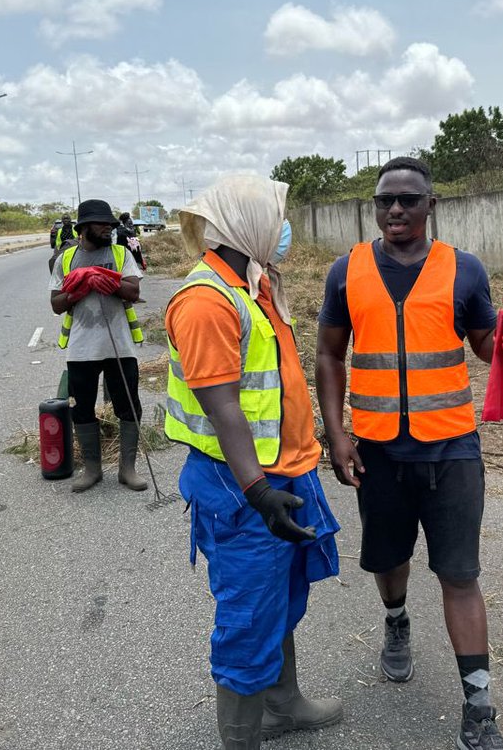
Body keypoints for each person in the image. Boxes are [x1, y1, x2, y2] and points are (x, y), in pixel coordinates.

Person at [316, 156, 503, 750]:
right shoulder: (347, 272)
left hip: (452, 450)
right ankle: (396, 621)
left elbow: (491, 349)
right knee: (388, 561)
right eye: (386, 200)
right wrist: (336, 434)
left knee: (460, 573)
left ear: (430, 205)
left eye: (409, 199)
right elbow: (330, 355)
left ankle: (479, 704)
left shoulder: (464, 271)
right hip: (379, 452)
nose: (396, 209)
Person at [165, 175, 341, 750]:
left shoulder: (254, 285)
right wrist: (258, 491)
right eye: (275, 217)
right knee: (247, 617)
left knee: (281, 599)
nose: (283, 230)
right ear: (248, 225)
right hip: (242, 489)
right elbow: (222, 407)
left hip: (283, 473)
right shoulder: (206, 300)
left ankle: (282, 705)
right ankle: (242, 739)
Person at [49, 199, 147, 493]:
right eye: (102, 224)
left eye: (110, 224)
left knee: (128, 406)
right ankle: (92, 469)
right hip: (81, 349)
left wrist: (106, 279)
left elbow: (133, 290)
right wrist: (78, 288)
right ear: (84, 228)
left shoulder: (120, 253)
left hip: (119, 346)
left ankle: (127, 469)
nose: (108, 228)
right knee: (82, 409)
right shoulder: (66, 260)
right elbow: (55, 304)